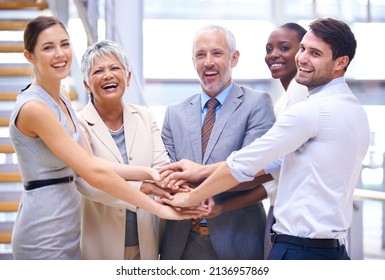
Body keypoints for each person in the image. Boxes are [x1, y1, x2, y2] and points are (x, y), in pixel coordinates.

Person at [162, 18, 370, 260]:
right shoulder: (354, 109)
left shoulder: (310, 111)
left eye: (315, 53)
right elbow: (275, 162)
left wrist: (190, 197)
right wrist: (200, 171)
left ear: (341, 62)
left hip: (299, 251)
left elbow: (244, 164)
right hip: (332, 248)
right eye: (303, 49)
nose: (302, 58)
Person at [8, 16, 203, 260]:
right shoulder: (35, 108)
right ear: (30, 56)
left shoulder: (62, 96)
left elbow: (92, 161)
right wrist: (157, 207)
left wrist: (151, 173)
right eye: (48, 48)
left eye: (65, 44)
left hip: (67, 226)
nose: (60, 54)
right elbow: (91, 173)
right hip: (44, 228)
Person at [159, 25, 275, 260]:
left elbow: (255, 171)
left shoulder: (257, 104)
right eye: (201, 55)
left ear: (234, 58)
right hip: (182, 243)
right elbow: (165, 173)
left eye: (217, 53)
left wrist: (195, 178)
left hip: (238, 240)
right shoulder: (174, 113)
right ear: (193, 61)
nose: (208, 62)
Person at [76, 40, 175, 260]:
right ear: (86, 84)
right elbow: (88, 183)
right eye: (98, 71)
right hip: (100, 245)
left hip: (147, 242)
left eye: (115, 68)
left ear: (128, 77)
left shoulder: (145, 117)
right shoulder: (78, 124)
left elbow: (162, 167)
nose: (108, 75)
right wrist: (146, 187)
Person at [262, 22, 308, 258]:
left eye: (284, 47)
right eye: (269, 49)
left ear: (303, 52)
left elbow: (278, 161)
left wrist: (211, 175)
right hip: (280, 209)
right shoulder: (285, 98)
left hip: (294, 221)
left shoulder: (301, 92)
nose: (273, 55)